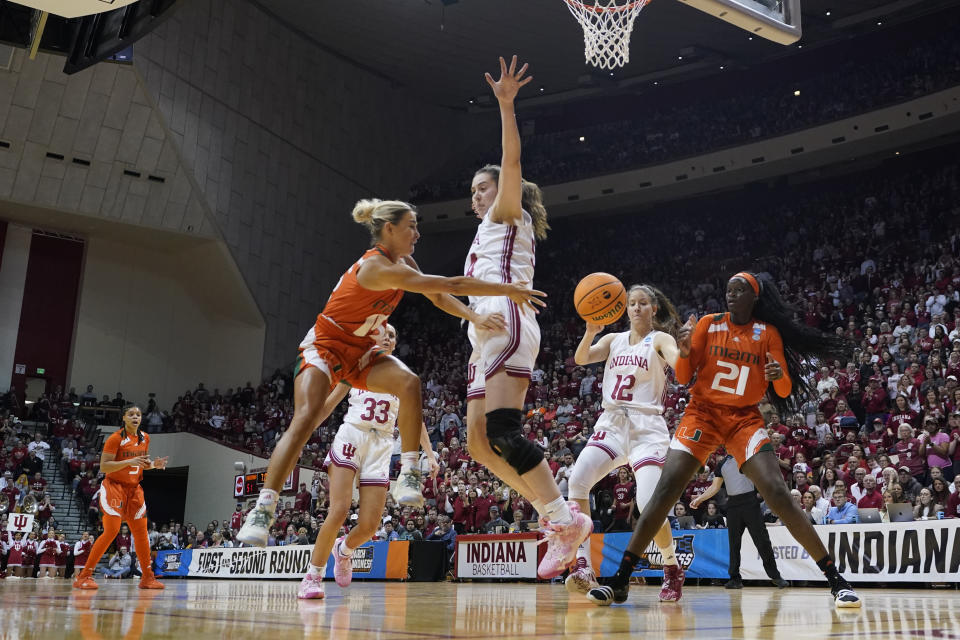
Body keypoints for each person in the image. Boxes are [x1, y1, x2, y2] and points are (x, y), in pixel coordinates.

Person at [237, 196, 542, 547]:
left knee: (409, 383)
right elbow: (452, 285)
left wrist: (473, 316)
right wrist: (507, 289)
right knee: (305, 419)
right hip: (326, 345)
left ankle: (409, 472)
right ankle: (263, 508)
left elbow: (440, 298)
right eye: (411, 226)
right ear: (389, 229)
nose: (417, 233)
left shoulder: (404, 263)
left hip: (363, 350)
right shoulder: (377, 268)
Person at [588, 271, 861, 608]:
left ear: (754, 298)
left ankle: (837, 581)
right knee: (663, 492)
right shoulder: (708, 324)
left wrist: (778, 377)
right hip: (702, 413)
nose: (731, 295)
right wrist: (685, 350)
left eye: (739, 290)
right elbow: (686, 377)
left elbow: (785, 389)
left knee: (777, 492)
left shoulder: (767, 333)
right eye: (729, 290)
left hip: (743, 419)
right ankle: (620, 579)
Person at [459, 55, 591, 580]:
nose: (478, 196)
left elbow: (510, 164)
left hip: (508, 319)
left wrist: (507, 107)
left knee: (505, 433)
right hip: (483, 329)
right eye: (473, 192)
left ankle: (562, 518)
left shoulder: (505, 213)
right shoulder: (485, 232)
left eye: (482, 187)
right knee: (476, 444)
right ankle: (556, 517)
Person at [297, 325, 438, 599]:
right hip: (352, 434)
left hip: (382, 444)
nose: (388, 336)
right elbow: (329, 404)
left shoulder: (403, 378)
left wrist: (429, 453)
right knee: (338, 510)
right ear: (373, 336)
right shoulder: (355, 366)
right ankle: (312, 576)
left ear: (395, 344)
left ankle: (344, 550)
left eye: (393, 334)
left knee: (370, 525)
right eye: (384, 331)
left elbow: (415, 420)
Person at [564, 284, 686, 601]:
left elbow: (679, 365)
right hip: (613, 424)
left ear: (653, 308)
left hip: (647, 429)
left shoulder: (660, 339)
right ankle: (582, 565)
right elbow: (581, 358)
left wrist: (685, 351)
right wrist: (590, 331)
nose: (635, 308)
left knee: (648, 505)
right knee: (577, 480)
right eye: (631, 303)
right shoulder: (613, 339)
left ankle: (672, 567)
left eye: (642, 303)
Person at [72, 404, 168, 590]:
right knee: (112, 531)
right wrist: (129, 461)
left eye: (138, 415)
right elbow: (104, 466)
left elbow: (141, 464)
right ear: (124, 417)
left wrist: (153, 465)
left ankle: (147, 577)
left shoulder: (144, 438)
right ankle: (84, 576)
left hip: (134, 489)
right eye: (131, 414)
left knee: (141, 534)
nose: (135, 417)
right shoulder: (115, 438)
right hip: (114, 486)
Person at [691, 454, 788, 589]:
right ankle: (735, 578)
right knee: (734, 544)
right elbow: (714, 487)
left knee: (762, 541)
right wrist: (700, 498)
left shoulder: (748, 457)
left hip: (751, 503)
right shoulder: (722, 463)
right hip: (733, 506)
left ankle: (776, 576)